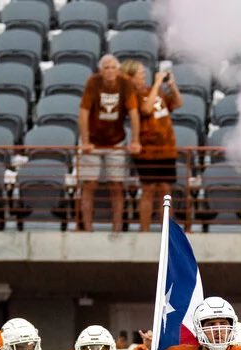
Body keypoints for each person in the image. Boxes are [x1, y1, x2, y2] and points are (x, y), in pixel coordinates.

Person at [78, 54, 141, 232]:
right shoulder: (93, 82)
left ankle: (117, 228)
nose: (110, 71)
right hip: (94, 141)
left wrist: (135, 140)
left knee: (116, 184)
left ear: (118, 70)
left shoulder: (125, 83)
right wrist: (85, 141)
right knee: (89, 184)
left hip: (116, 141)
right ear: (100, 70)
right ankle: (88, 229)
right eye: (106, 67)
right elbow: (83, 112)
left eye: (113, 67)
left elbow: (134, 113)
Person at [120, 61, 182, 232]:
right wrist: (156, 83)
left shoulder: (152, 90)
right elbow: (146, 109)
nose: (144, 75)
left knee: (166, 189)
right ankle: (144, 229)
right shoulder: (131, 94)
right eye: (140, 73)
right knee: (148, 189)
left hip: (166, 148)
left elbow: (177, 103)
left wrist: (172, 86)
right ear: (131, 76)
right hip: (148, 150)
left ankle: (168, 230)